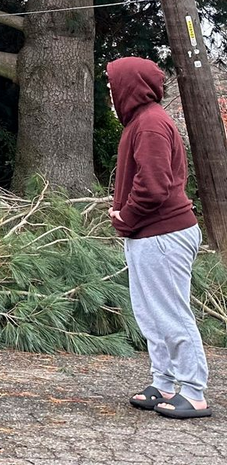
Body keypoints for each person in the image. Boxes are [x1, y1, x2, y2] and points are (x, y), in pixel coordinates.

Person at [107, 55, 212, 419]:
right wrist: (128, 220)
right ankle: (165, 383)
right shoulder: (141, 122)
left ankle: (195, 392)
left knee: (170, 313)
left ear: (129, 86)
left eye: (112, 85)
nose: (109, 92)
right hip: (151, 234)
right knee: (150, 314)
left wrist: (125, 217)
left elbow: (152, 187)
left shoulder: (150, 124)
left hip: (164, 234)